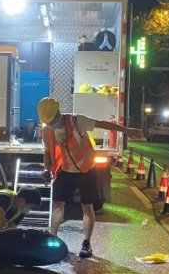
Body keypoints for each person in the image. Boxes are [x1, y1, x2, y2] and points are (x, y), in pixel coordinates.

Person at [37, 97, 142, 258]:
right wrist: (46, 169)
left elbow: (102, 124)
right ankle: (53, 239)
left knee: (87, 207)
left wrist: (127, 131)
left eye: (53, 120)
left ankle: (86, 244)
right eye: (49, 122)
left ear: (59, 113)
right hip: (65, 171)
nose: (52, 124)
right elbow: (47, 151)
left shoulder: (77, 120)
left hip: (87, 170)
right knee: (58, 205)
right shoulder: (46, 129)